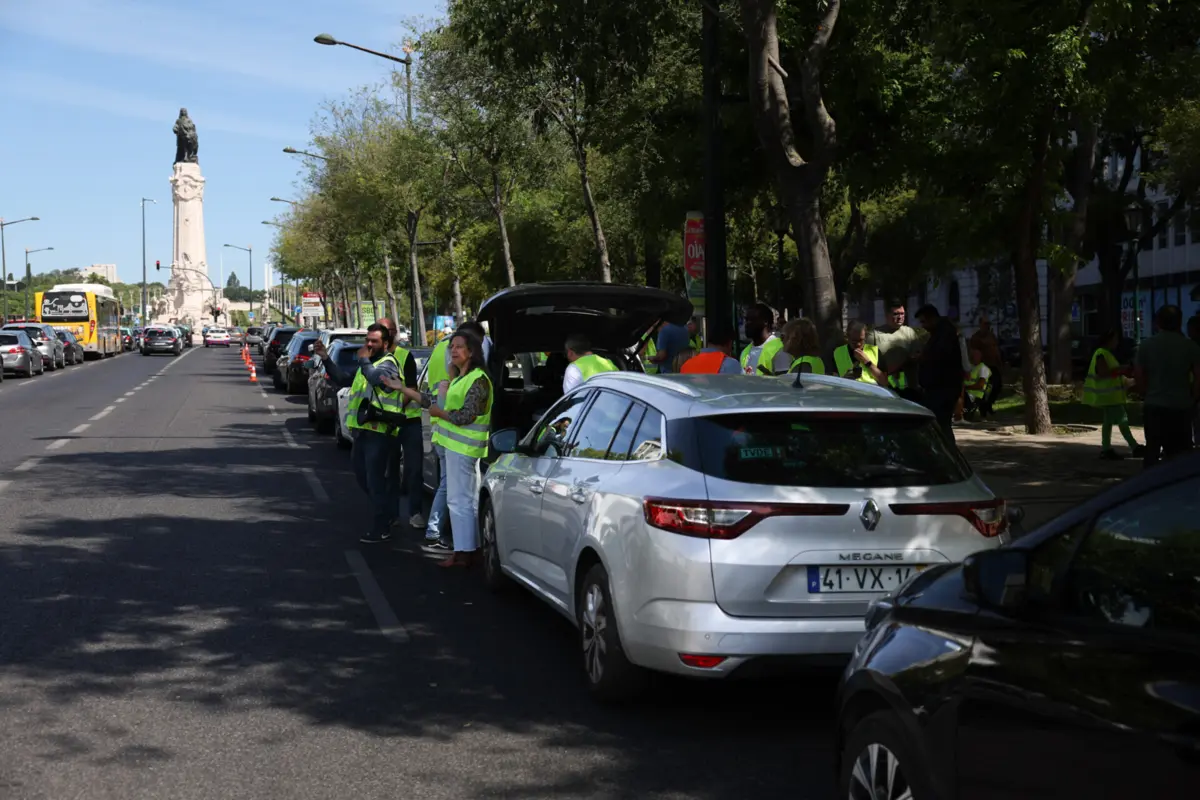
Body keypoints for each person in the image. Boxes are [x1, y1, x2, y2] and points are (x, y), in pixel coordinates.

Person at [388, 329, 493, 568]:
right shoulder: (460, 378)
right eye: (451, 347)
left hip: (463, 450)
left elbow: (466, 415)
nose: (452, 350)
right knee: (464, 501)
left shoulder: (478, 379)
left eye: (458, 347)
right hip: (456, 448)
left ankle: (463, 552)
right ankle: (469, 550)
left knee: (459, 502)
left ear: (472, 352)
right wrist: (402, 388)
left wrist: (440, 414)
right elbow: (428, 400)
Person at [345, 323, 405, 544]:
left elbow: (377, 380)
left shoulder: (388, 364)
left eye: (374, 341)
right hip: (362, 431)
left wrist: (363, 360)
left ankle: (382, 527)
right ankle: (387, 514)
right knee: (363, 477)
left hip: (380, 432)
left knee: (376, 480)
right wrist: (325, 359)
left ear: (386, 344)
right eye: (367, 340)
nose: (369, 345)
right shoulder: (369, 364)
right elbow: (344, 378)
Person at [1135, 304, 1200, 467]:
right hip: (1181, 406)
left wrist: (1144, 393)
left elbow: (1139, 374)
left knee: (1152, 450)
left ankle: (1149, 487)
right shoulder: (1190, 346)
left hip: (1155, 405)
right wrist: (1193, 398)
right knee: (1181, 454)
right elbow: (1199, 376)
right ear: (1179, 322)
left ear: (1158, 322)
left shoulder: (1146, 345)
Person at [1083, 328, 1143, 461]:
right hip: (1109, 396)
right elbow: (1104, 373)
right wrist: (1121, 370)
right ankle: (1134, 447)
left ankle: (1107, 449)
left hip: (1110, 396)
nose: (1117, 342)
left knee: (1109, 422)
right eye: (1115, 339)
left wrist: (1122, 373)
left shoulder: (1105, 353)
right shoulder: (1101, 353)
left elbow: (1108, 373)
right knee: (1122, 420)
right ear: (1108, 340)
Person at [421, 333, 453, 549]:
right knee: (449, 483)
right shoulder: (455, 377)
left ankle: (435, 530)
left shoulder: (438, 349)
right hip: (451, 432)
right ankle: (434, 530)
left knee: (447, 482)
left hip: (437, 426)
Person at [915, 304, 964, 442]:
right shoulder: (939, 333)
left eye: (924, 321)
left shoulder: (945, 334)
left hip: (942, 390)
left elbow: (940, 358)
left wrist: (923, 358)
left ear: (932, 319)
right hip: (939, 389)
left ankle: (950, 455)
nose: (923, 326)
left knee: (941, 425)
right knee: (940, 425)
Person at [969, 313, 1004, 415]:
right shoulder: (975, 338)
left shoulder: (992, 336)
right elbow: (973, 352)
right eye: (985, 323)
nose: (987, 326)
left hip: (993, 365)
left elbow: (996, 349)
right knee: (982, 388)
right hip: (982, 366)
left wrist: (1000, 362)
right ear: (980, 324)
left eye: (988, 323)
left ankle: (989, 404)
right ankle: (983, 408)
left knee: (997, 385)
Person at [833, 321, 886, 385]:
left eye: (861, 340)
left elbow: (884, 381)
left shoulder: (874, 350)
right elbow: (831, 382)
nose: (858, 344)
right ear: (848, 337)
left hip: (870, 392)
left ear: (865, 337)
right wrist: (844, 379)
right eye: (854, 341)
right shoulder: (838, 352)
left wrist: (867, 362)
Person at [740, 302, 783, 374]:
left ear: (765, 321)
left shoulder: (779, 349)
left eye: (752, 320)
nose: (747, 324)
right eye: (746, 320)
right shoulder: (745, 352)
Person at [961, 348, 991, 420]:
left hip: (973, 395)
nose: (973, 357)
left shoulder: (983, 368)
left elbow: (980, 385)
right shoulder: (969, 367)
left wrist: (965, 387)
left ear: (980, 357)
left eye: (975, 355)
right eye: (972, 355)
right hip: (965, 392)